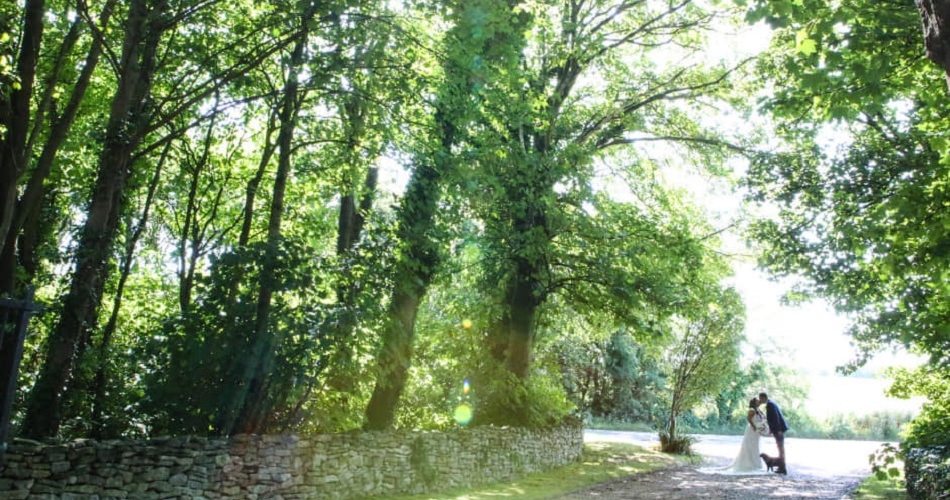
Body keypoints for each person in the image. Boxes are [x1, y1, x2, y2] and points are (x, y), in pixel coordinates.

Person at [724, 397, 769, 472]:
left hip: (757, 430)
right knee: (749, 445)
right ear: (754, 403)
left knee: (755, 446)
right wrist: (754, 426)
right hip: (752, 430)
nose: (759, 402)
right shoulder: (752, 410)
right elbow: (749, 419)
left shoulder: (759, 410)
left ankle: (755, 463)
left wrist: (762, 426)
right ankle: (748, 463)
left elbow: (763, 419)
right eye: (757, 401)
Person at [759, 391, 789, 474]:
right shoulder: (772, 403)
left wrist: (778, 430)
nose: (760, 400)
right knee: (780, 448)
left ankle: (782, 468)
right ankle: (781, 466)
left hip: (778, 430)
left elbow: (775, 418)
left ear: (763, 397)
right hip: (778, 429)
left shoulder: (770, 405)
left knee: (780, 449)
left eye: (760, 399)